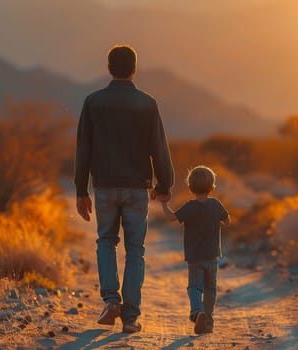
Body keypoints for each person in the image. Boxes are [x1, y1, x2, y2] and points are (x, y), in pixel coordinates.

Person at [74, 44, 174, 334]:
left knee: (105, 242)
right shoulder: (147, 103)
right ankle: (130, 318)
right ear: (134, 68)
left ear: (109, 67)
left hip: (104, 186)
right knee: (135, 251)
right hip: (136, 188)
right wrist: (164, 184)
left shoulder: (93, 102)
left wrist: (81, 190)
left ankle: (110, 300)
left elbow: (83, 149)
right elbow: (159, 148)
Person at [160, 165, 230, 334]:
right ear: (212, 185)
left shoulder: (190, 206)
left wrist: (164, 203)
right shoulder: (215, 204)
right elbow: (228, 221)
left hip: (195, 257)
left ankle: (197, 311)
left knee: (194, 287)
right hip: (213, 256)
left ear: (190, 186)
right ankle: (208, 322)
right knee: (210, 290)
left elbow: (171, 218)